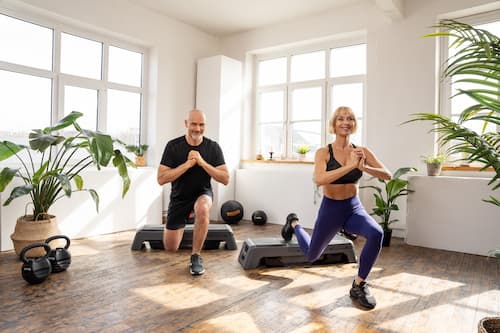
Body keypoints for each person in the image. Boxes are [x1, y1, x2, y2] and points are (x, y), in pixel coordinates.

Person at [281, 106, 392, 309]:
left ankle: (359, 284)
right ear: (334, 124)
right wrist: (350, 166)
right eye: (341, 119)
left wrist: (363, 166)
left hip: (353, 208)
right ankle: (294, 223)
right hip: (331, 209)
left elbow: (387, 175)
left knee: (376, 233)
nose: (345, 122)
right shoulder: (324, 152)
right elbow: (320, 179)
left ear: (354, 124)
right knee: (312, 255)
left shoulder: (362, 151)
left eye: (350, 119)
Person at [157, 109, 229, 276]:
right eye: (194, 124)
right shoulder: (173, 146)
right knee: (171, 248)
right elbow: (161, 179)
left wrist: (202, 162)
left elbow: (225, 178)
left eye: (201, 124)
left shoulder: (213, 147)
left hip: (202, 193)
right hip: (179, 198)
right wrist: (187, 165)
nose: (197, 128)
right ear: (186, 124)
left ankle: (196, 256)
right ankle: (185, 223)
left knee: (203, 208)